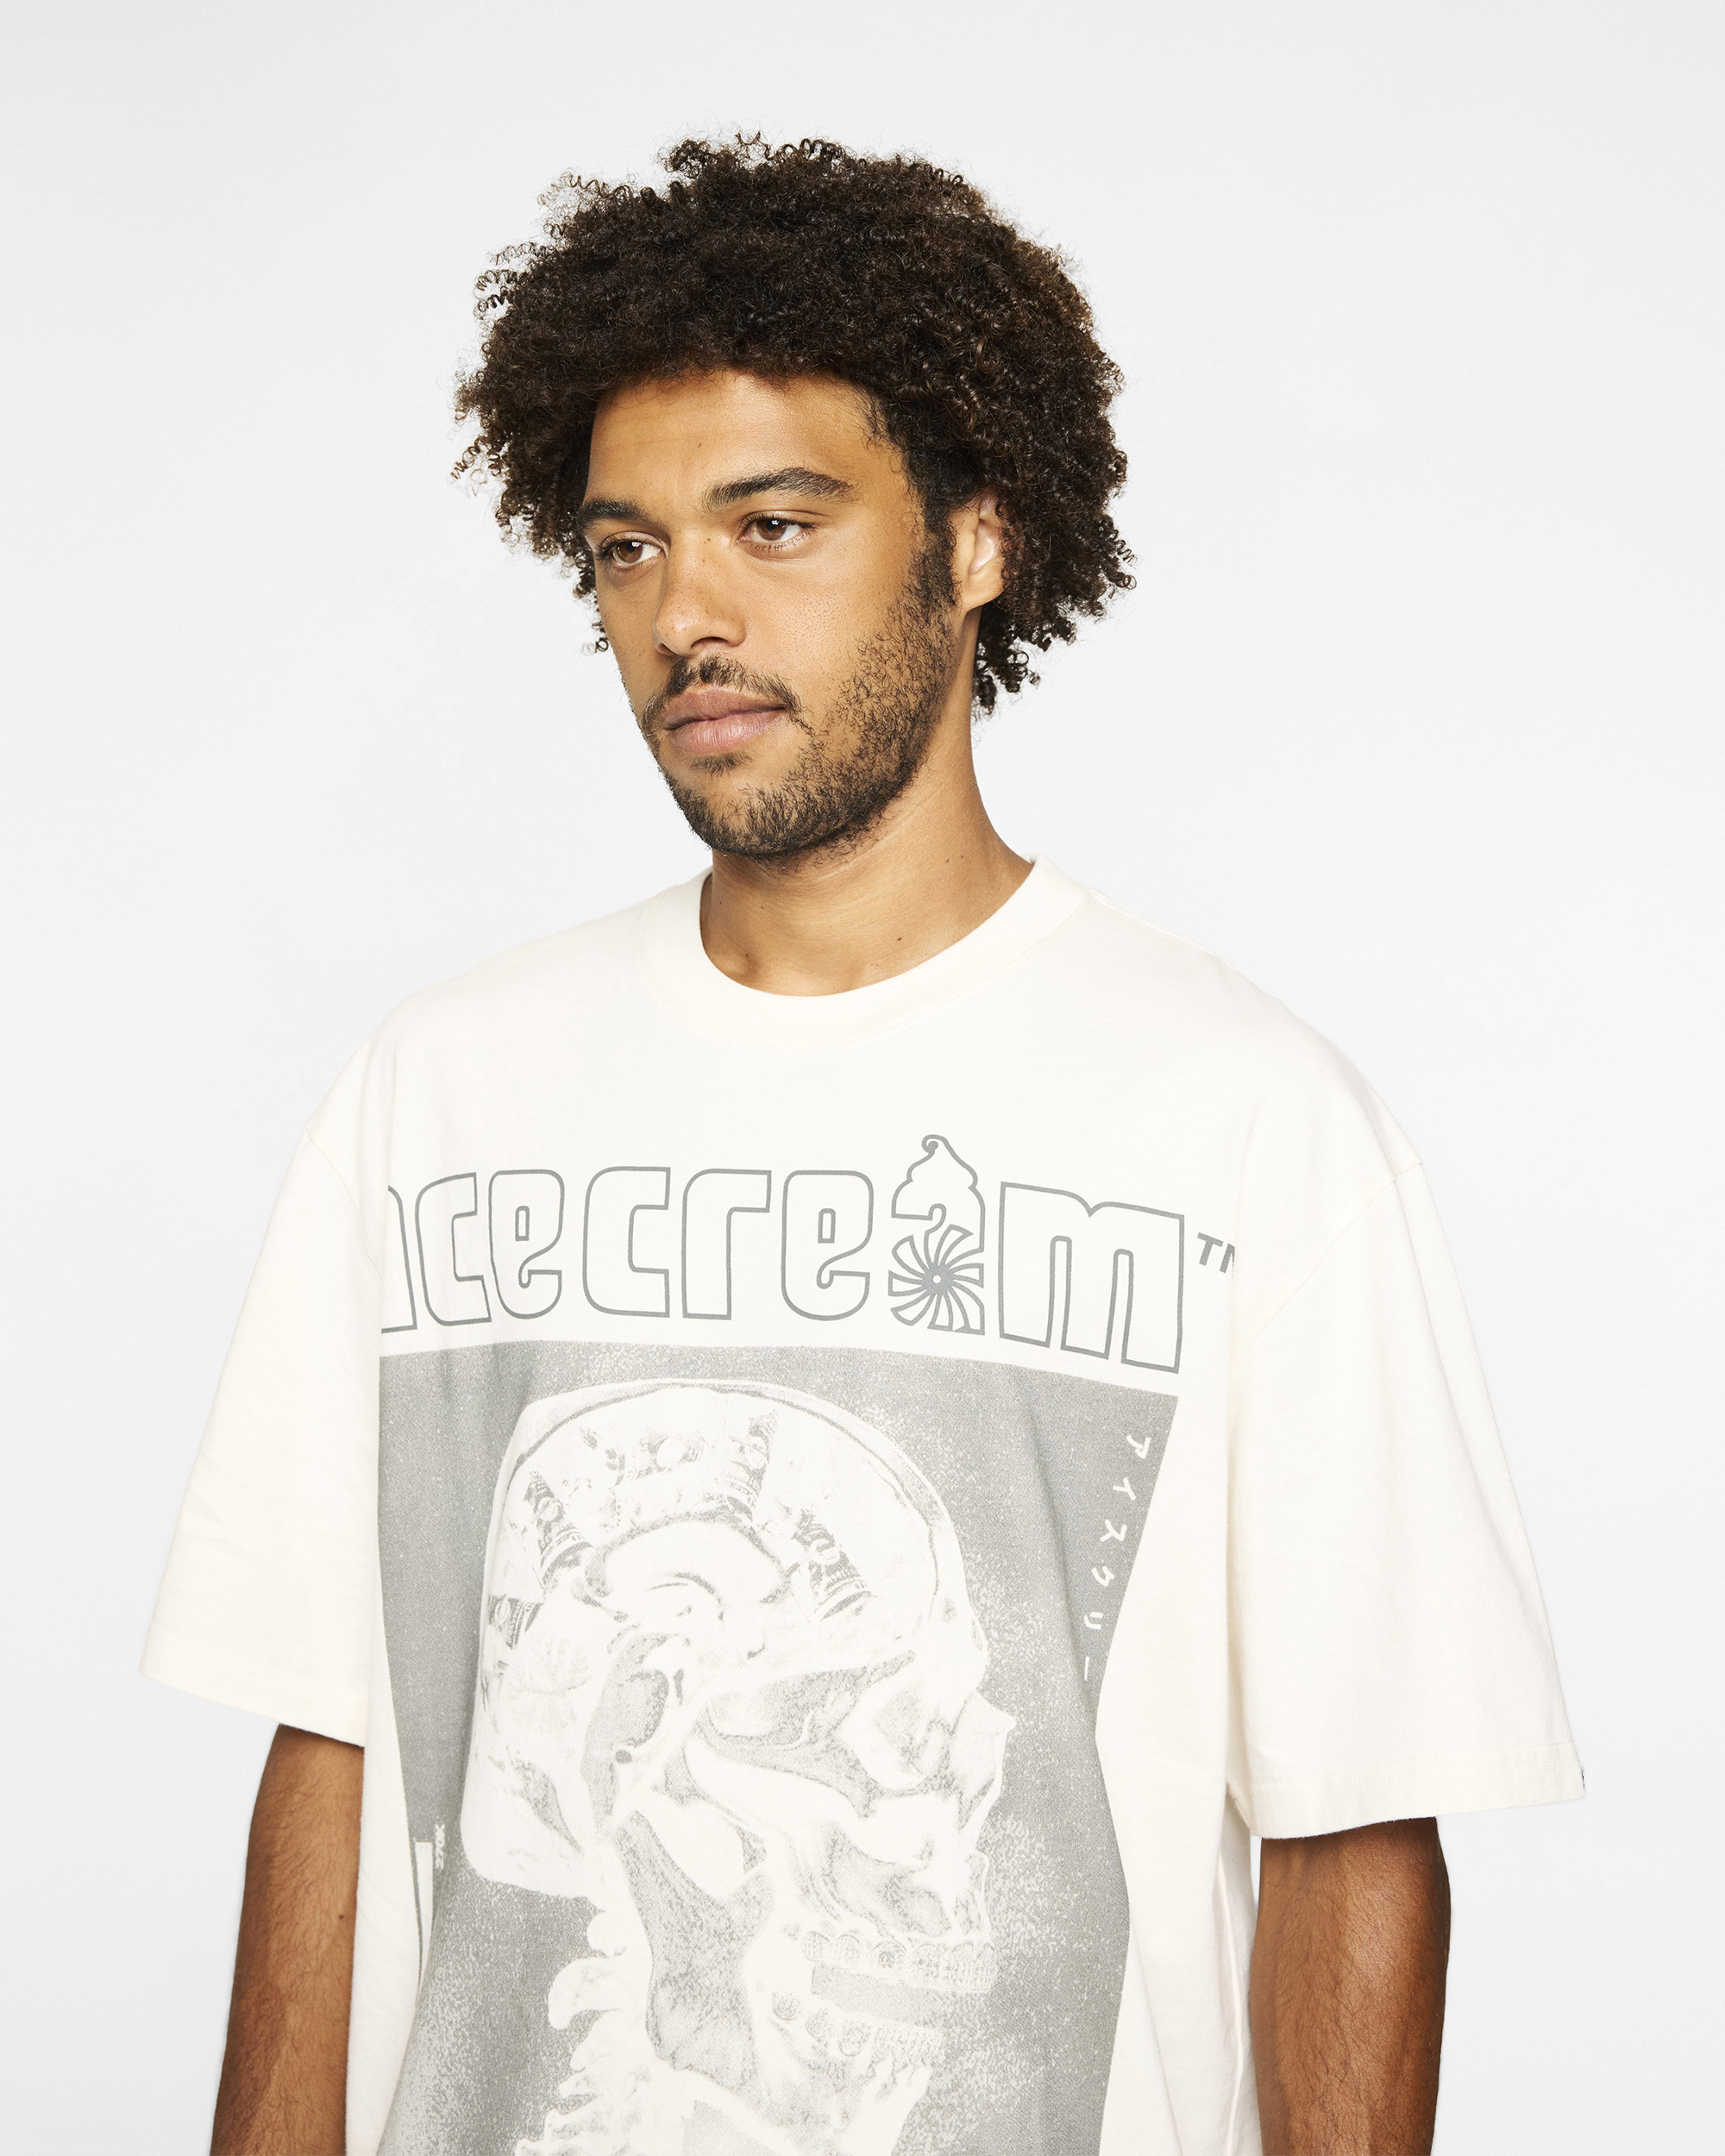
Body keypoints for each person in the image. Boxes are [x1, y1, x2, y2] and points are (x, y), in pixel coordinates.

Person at [146, 136, 1581, 2156]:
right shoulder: (443, 1091)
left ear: (978, 538)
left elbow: (1351, 1825)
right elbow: (337, 1745)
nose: (686, 613)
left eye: (775, 523)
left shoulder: (1244, 1120)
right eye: (626, 547)